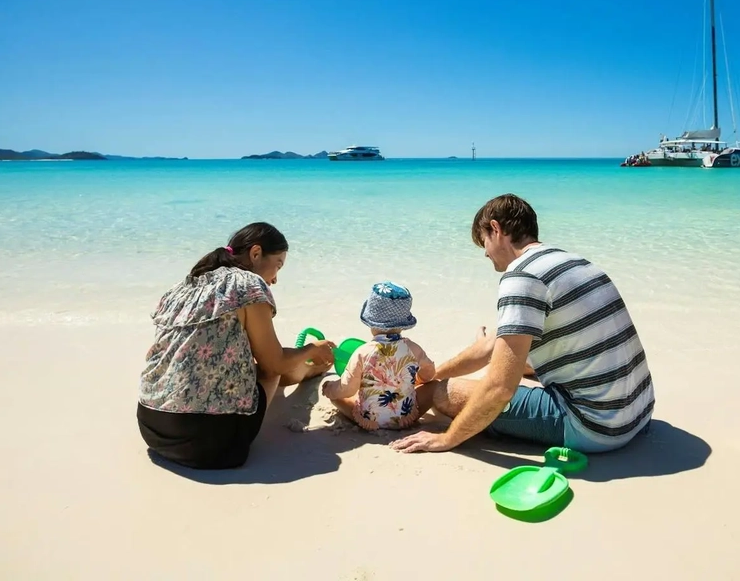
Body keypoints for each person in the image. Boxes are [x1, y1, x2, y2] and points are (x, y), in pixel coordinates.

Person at [391, 194, 655, 455]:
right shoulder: (574, 262)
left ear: (495, 229)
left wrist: (446, 438)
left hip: (595, 427)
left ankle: (379, 412)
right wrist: (430, 373)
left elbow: (500, 388)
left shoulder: (522, 276)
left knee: (442, 394)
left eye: (483, 242)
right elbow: (489, 348)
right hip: (637, 412)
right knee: (519, 363)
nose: (485, 253)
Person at [137, 222, 336, 469]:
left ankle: (308, 371)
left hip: (152, 427)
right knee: (268, 367)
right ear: (255, 253)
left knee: (248, 365)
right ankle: (310, 369)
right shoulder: (248, 285)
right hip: (205, 442)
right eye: (278, 265)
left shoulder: (183, 286)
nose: (275, 279)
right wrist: (312, 348)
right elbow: (273, 364)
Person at [322, 282, 435, 430]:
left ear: (371, 323)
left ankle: (336, 395)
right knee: (434, 386)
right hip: (405, 417)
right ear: (403, 324)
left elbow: (347, 389)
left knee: (338, 397)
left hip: (369, 420)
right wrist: (418, 380)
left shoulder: (362, 353)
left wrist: (330, 388)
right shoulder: (414, 349)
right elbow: (429, 374)